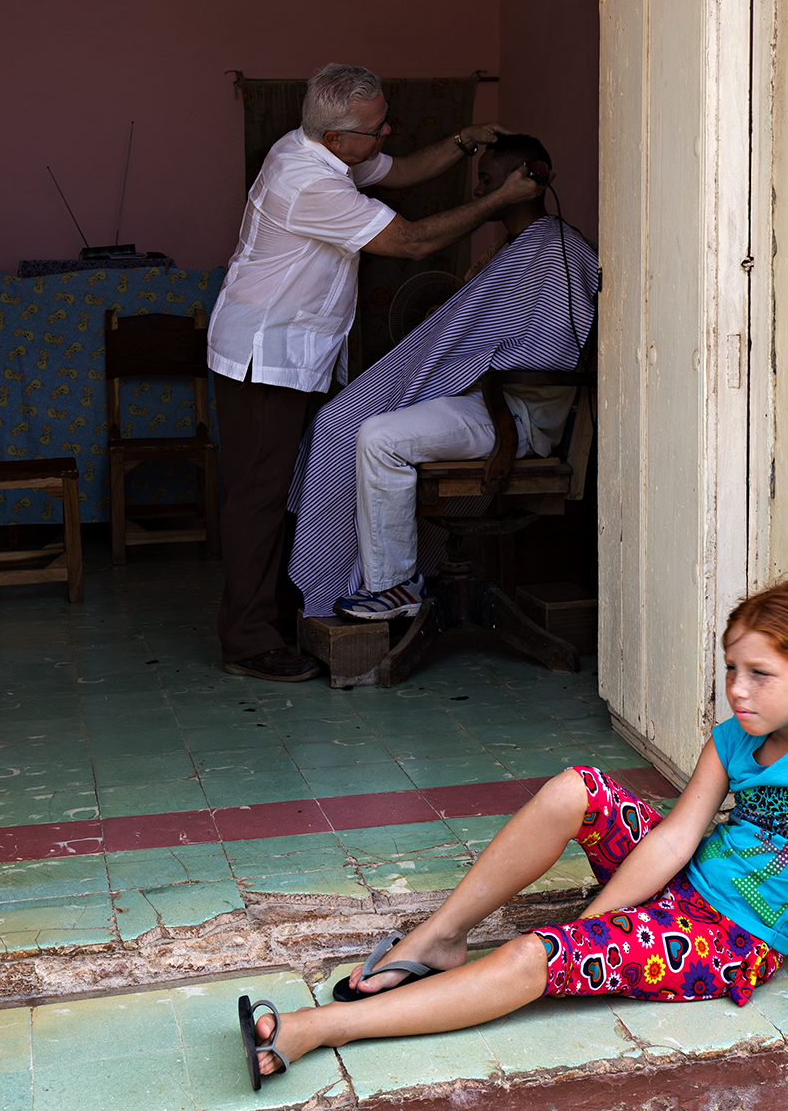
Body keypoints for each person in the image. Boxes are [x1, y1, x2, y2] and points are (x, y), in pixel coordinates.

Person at [237, 581, 788, 1085]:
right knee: (578, 787)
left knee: (534, 956)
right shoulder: (733, 740)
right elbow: (673, 842)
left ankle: (323, 1028)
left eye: (759, 674)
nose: (736, 691)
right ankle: (440, 937)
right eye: (730, 669)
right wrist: (600, 919)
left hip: (729, 938)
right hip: (682, 884)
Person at [206, 63, 542, 681]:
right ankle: (248, 641)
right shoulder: (308, 182)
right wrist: (498, 201)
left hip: (298, 352)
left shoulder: (322, 149)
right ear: (338, 139)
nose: (388, 132)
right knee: (257, 497)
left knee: (286, 483)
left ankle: (286, 612)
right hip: (265, 357)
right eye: (376, 128)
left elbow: (405, 169)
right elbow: (411, 241)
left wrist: (462, 142)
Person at [286, 136, 599, 623]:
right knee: (340, 421)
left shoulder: (560, 249)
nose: (480, 191)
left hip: (515, 415)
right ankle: (335, 581)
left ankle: (393, 586)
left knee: (378, 436)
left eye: (490, 182)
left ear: (530, 180)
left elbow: (553, 349)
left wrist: (471, 362)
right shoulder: (510, 249)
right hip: (480, 401)